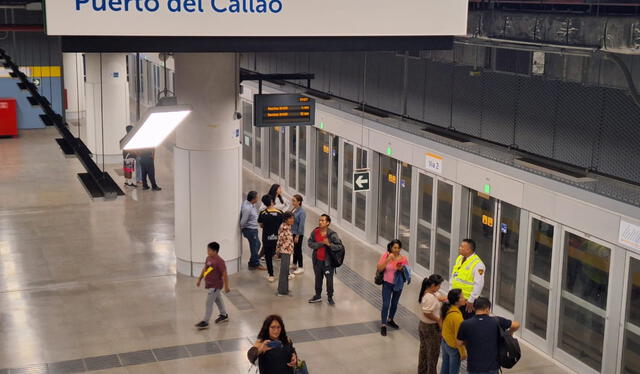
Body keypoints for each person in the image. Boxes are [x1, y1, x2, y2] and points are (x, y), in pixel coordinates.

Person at [456, 297, 520, 374]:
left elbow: (459, 343)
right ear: (487, 309)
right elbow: (516, 325)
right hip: (492, 367)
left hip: (474, 367)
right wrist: (509, 333)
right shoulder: (497, 321)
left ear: (474, 308)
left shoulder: (465, 324)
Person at [307, 214, 344, 305]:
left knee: (329, 280)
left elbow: (339, 246)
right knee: (318, 279)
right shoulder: (315, 232)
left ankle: (330, 297)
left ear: (328, 223)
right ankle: (317, 295)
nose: (320, 222)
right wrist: (321, 243)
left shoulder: (332, 234)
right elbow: (310, 243)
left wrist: (329, 244)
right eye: (320, 220)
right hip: (317, 261)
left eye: (323, 220)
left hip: (328, 263)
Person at [194, 242, 230, 330]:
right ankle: (224, 314)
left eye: (209, 250)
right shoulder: (208, 258)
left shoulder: (220, 261)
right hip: (210, 284)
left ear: (215, 251)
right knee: (218, 300)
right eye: (207, 250)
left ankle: (205, 321)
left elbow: (224, 274)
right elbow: (207, 269)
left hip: (215, 285)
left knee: (208, 303)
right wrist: (200, 278)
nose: (208, 251)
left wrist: (226, 286)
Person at [377, 239, 409, 336]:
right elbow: (379, 268)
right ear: (391, 247)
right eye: (394, 247)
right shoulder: (386, 255)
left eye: (398, 248)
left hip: (398, 284)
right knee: (386, 304)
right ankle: (383, 324)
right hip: (387, 283)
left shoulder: (403, 259)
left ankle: (390, 319)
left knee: (394, 303)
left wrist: (402, 269)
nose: (396, 250)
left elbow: (407, 273)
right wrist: (388, 260)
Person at [451, 239, 485, 319]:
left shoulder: (478, 264)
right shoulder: (460, 258)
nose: (459, 248)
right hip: (456, 297)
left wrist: (471, 300)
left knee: (464, 321)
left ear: (469, 250)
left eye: (462, 247)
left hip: (466, 300)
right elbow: (454, 275)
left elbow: (479, 284)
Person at [418, 274, 445, 374]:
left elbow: (440, 297)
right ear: (433, 285)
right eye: (438, 285)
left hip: (423, 326)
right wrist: (438, 320)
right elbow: (427, 313)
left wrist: (446, 299)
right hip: (431, 328)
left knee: (424, 351)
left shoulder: (431, 293)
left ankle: (422, 371)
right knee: (433, 354)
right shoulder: (429, 298)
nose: (439, 288)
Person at [440, 289, 467, 374]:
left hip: (445, 342)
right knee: (453, 371)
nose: (465, 298)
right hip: (453, 347)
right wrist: (463, 353)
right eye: (462, 297)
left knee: (445, 367)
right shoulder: (457, 317)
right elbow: (459, 337)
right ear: (457, 301)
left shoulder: (447, 309)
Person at [258, 195, 283, 283]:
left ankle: (271, 274)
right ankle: (285, 274)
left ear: (264, 203)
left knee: (268, 256)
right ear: (272, 202)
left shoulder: (262, 213)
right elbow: (282, 225)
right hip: (278, 238)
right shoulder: (280, 212)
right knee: (281, 255)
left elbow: (261, 225)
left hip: (267, 237)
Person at [240, 191, 265, 271]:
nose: (258, 198)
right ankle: (255, 264)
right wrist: (244, 229)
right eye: (257, 197)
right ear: (253, 199)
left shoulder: (251, 204)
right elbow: (243, 222)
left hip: (254, 229)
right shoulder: (247, 208)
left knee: (257, 244)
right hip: (250, 230)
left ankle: (252, 261)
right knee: (254, 247)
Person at [277, 212, 296, 296]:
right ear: (285, 219)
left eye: (293, 218)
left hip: (288, 251)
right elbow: (280, 240)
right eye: (290, 218)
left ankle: (285, 289)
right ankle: (282, 291)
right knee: (284, 271)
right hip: (285, 251)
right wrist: (277, 250)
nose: (292, 220)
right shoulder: (284, 228)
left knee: (286, 271)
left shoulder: (288, 226)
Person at [290, 194, 306, 275]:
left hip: (297, 234)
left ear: (299, 202)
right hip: (292, 232)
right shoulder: (294, 209)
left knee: (298, 250)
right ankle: (294, 264)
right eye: (292, 200)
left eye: (294, 201)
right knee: (294, 249)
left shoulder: (302, 212)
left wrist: (297, 236)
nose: (292, 202)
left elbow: (301, 225)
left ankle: (300, 267)